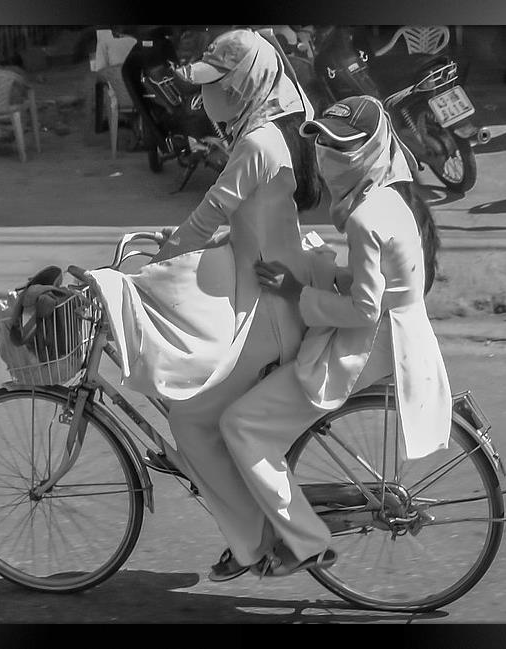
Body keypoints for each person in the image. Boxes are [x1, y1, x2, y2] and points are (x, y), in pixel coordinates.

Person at [216, 94, 452, 576]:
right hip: (399, 331)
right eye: (323, 143)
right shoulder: (391, 196)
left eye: (342, 147)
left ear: (369, 149)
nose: (328, 158)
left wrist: (299, 289)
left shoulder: (366, 217)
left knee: (240, 424)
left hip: (370, 342)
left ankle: (304, 541)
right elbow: (383, 284)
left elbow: (365, 308)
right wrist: (319, 268)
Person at [142, 28, 333, 580]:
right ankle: (255, 526)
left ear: (245, 83)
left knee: (190, 420)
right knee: (210, 414)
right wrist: (173, 245)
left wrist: (150, 264)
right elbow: (246, 223)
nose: (207, 97)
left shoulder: (256, 145)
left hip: (271, 315)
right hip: (273, 298)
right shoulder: (268, 133)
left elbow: (210, 213)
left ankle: (254, 543)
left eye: (218, 84)